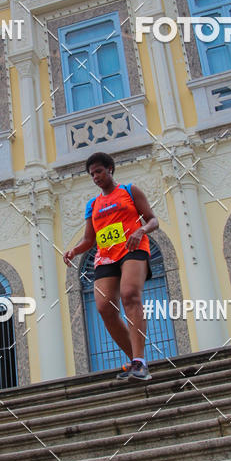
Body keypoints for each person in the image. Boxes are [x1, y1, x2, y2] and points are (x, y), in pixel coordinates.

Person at [63, 152, 159, 382]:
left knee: (129, 295)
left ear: (110, 169)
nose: (95, 177)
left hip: (133, 249)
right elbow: (90, 238)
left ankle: (138, 362)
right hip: (106, 256)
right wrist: (75, 250)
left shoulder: (129, 191)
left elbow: (153, 220)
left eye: (99, 171)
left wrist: (140, 230)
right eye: (91, 174)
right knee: (105, 307)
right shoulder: (93, 204)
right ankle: (138, 361)